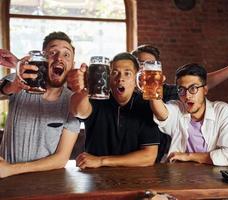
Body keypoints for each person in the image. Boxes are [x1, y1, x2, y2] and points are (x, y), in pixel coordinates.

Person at [0, 31, 80, 178]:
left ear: (72, 65)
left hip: (45, 184)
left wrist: (11, 169)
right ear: (43, 59)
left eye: (66, 54)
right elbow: (3, 89)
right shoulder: (20, 82)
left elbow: (61, 159)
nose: (59, 58)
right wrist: (11, 88)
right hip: (6, 182)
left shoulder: (74, 102)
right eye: (52, 52)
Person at [67, 52, 160, 169]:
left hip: (134, 178)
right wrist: (85, 88)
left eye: (127, 73)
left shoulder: (146, 105)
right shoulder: (96, 99)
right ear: (108, 78)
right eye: (114, 73)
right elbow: (77, 111)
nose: (120, 78)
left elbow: (149, 156)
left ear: (137, 80)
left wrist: (102, 161)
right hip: (96, 177)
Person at [149, 63, 228, 167]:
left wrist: (188, 156)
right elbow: (161, 114)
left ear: (205, 90)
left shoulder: (222, 111)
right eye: (181, 90)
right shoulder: (178, 108)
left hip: (213, 178)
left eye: (193, 88)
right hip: (180, 176)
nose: (187, 95)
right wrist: (153, 91)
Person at [131, 44, 228, 102]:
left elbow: (198, 83)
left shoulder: (166, 93)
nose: (145, 69)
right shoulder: (120, 93)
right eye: (141, 63)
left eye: (150, 64)